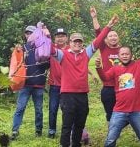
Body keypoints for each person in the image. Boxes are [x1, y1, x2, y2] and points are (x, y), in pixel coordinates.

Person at [51, 15, 119, 147]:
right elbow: (50, 49)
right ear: (69, 42)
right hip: (67, 95)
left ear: (82, 43)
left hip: (82, 95)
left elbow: (98, 40)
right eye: (74, 41)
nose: (77, 44)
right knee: (67, 124)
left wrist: (109, 25)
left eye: (79, 42)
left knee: (80, 124)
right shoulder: (62, 54)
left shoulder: (86, 53)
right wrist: (45, 35)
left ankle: (76, 144)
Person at [95, 45, 140, 147]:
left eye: (127, 54)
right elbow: (105, 78)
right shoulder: (115, 69)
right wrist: (99, 68)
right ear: (118, 56)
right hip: (119, 110)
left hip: (137, 111)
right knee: (110, 140)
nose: (125, 56)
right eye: (122, 54)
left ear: (131, 55)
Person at [10, 25, 49, 140]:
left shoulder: (42, 47)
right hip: (24, 85)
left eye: (31, 33)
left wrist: (43, 62)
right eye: (27, 33)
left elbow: (48, 64)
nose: (28, 35)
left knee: (39, 110)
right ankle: (15, 131)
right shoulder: (21, 49)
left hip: (38, 84)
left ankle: (38, 130)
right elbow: (15, 66)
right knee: (20, 108)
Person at [90, 6, 121, 123]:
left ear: (118, 38)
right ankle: (112, 132)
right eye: (110, 36)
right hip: (108, 87)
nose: (113, 37)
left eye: (115, 35)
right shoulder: (104, 48)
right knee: (110, 113)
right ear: (107, 39)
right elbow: (99, 34)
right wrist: (94, 18)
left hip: (122, 86)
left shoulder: (124, 50)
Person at [47, 28, 68, 139]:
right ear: (55, 38)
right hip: (55, 85)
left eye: (62, 35)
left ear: (66, 38)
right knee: (53, 108)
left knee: (66, 109)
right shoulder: (52, 49)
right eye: (58, 36)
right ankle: (52, 130)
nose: (60, 38)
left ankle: (66, 130)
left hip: (68, 86)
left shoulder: (71, 49)